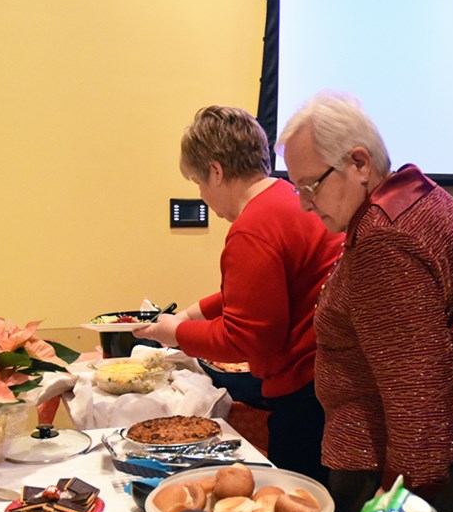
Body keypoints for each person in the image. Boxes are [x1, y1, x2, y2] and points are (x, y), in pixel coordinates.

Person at [276, 90, 453, 512]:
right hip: (452, 447)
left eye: (310, 185)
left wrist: (395, 506)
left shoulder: (383, 239)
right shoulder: (425, 197)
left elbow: (416, 386)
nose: (305, 203)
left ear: (358, 162)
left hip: (386, 468)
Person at [134, 105, 343, 484]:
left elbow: (246, 337)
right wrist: (193, 313)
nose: (202, 197)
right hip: (332, 382)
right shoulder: (288, 196)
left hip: (305, 394)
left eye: (197, 182)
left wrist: (173, 334)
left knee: (299, 501)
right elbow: (262, 291)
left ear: (216, 171)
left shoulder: (252, 228)